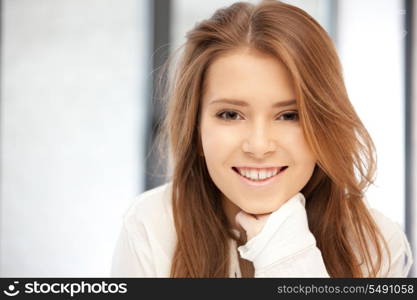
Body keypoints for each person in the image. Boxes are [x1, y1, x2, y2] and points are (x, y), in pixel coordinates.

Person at [110, 0, 413, 277]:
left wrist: (289, 256)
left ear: (325, 125)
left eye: (289, 116)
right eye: (230, 115)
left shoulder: (376, 244)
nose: (258, 146)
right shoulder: (152, 225)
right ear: (195, 127)